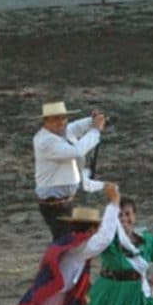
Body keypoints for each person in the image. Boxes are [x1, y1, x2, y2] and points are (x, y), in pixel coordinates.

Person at [33, 101, 108, 240]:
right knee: (65, 240)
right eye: (55, 118)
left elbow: (76, 127)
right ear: (46, 122)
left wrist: (92, 119)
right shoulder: (45, 141)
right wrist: (95, 130)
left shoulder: (61, 132)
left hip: (65, 200)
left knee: (69, 240)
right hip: (54, 203)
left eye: (63, 118)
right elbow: (77, 151)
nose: (61, 122)